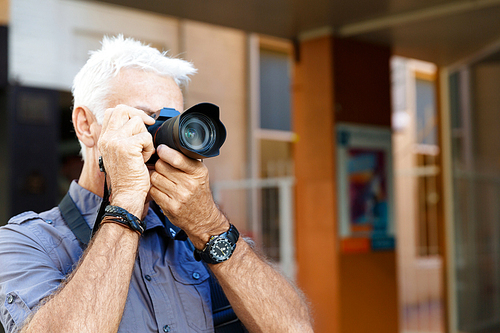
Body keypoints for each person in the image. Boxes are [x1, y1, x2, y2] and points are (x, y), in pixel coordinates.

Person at [0, 35, 313, 333]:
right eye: (143, 118)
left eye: (172, 120)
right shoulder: (27, 242)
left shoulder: (195, 232)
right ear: (85, 125)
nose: (161, 133)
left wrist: (209, 226)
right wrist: (124, 202)